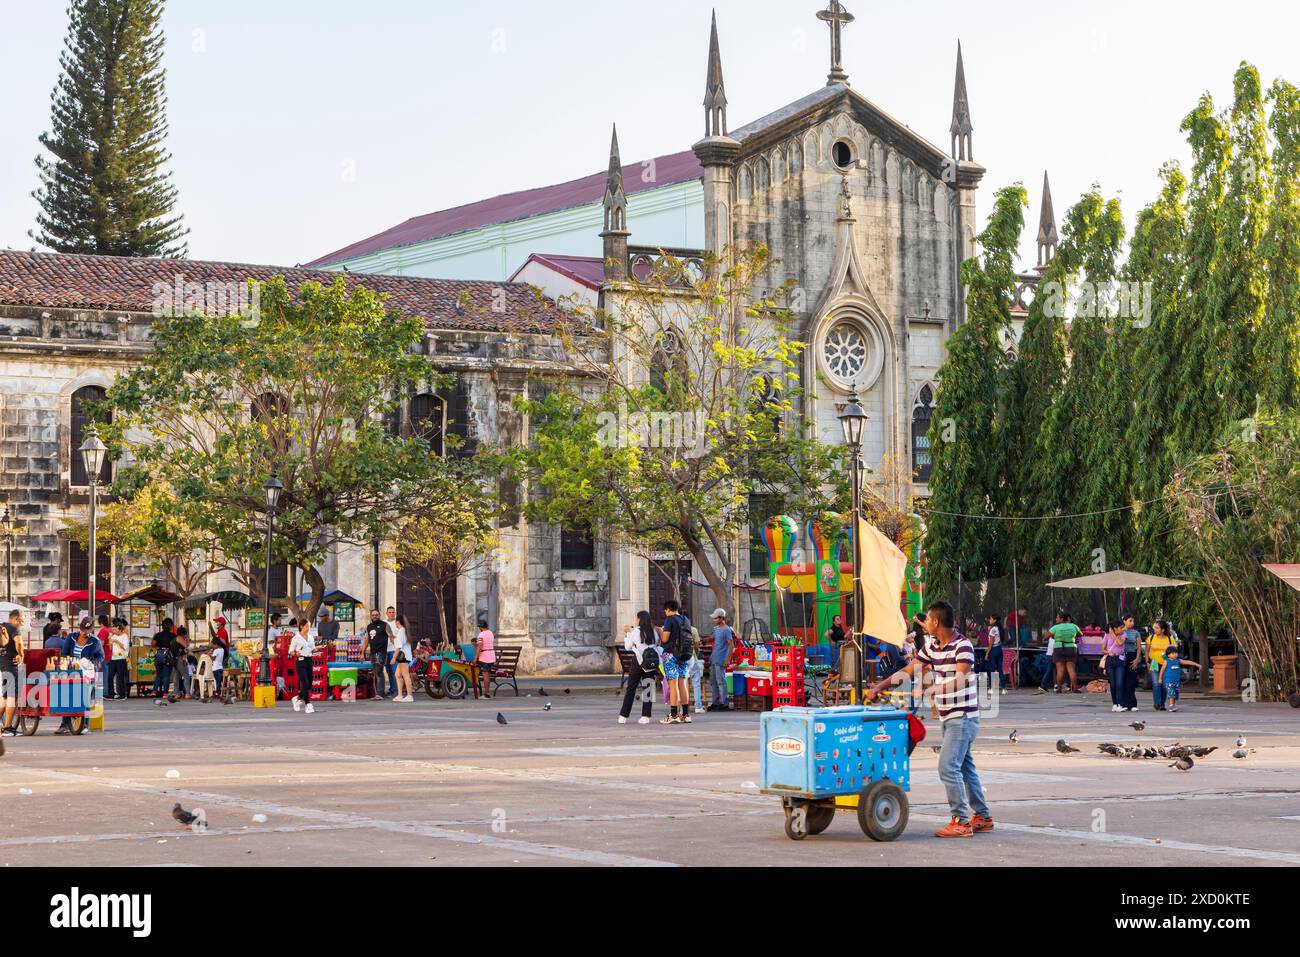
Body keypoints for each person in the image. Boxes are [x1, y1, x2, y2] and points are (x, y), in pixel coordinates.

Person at [868, 600, 990, 838]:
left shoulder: (962, 645)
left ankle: (961, 822)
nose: (924, 625)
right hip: (949, 716)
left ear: (936, 622)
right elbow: (908, 670)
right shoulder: (933, 646)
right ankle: (983, 817)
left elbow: (961, 679)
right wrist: (879, 687)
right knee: (965, 768)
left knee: (947, 767)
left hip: (962, 717)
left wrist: (934, 689)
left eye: (927, 621)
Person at [56, 622, 104, 734]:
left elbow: (101, 656)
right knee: (67, 697)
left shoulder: (95, 641)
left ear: (91, 630)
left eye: (87, 632)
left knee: (86, 699)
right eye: (83, 630)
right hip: (71, 670)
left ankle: (85, 725)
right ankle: (65, 724)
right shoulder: (71, 637)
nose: (84, 633)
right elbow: (64, 653)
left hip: (88, 672)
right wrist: (69, 662)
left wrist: (92, 662)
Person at [618, 611, 658, 725]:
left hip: (638, 662)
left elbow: (627, 647)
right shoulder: (653, 631)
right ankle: (645, 716)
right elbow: (657, 644)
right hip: (650, 663)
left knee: (631, 688)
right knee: (648, 688)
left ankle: (623, 716)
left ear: (640, 619)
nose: (635, 621)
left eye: (636, 618)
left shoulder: (636, 631)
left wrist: (627, 633)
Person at [659, 600, 692, 724]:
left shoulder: (669, 620)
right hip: (685, 654)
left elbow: (665, 638)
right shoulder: (686, 620)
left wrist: (661, 631)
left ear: (668, 609)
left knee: (673, 684)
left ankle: (674, 715)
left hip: (671, 654)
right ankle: (686, 714)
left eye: (665, 610)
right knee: (682, 683)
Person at [1, 609, 24, 737]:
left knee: (4, 697)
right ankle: (8, 728)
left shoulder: (2, 626)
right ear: (16, 619)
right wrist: (20, 654)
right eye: (21, 620)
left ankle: (4, 727)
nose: (21, 623)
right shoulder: (13, 628)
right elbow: (19, 642)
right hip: (11, 664)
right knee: (11, 697)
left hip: (2, 664)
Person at [1145, 620, 1178, 711]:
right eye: (1154, 627)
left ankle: (1162, 703)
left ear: (1162, 630)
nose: (1155, 629)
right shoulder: (1151, 638)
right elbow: (1147, 651)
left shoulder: (1169, 639)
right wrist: (1147, 661)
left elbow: (1174, 650)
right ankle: (1157, 703)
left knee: (1164, 684)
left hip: (1166, 664)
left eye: (1157, 628)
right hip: (1154, 663)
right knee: (1156, 683)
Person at [1158, 644, 1199, 712]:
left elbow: (1187, 662)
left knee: (1175, 694)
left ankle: (1173, 705)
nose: (1175, 654)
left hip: (1176, 681)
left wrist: (1196, 664)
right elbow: (1162, 670)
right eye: (1173, 653)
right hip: (1169, 681)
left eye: (1176, 653)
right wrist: (1160, 679)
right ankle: (1171, 706)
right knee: (1171, 693)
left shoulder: (1178, 660)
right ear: (1168, 655)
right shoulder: (1167, 661)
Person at [707, 609, 733, 711]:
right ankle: (716, 702)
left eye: (716, 618)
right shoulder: (716, 629)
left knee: (721, 681)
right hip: (714, 658)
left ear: (722, 618)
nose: (714, 620)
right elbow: (712, 638)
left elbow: (731, 645)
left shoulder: (726, 630)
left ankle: (724, 703)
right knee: (713, 681)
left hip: (721, 658)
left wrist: (728, 659)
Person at [1049, 611, 1081, 693]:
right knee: (1071, 670)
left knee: (1060, 670)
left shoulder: (1056, 627)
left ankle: (1059, 689)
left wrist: (1055, 636)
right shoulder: (1074, 626)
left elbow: (1045, 636)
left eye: (1058, 617)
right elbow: (1080, 634)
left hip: (1058, 648)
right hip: (1071, 647)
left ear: (1062, 619)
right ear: (1068, 619)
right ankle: (1075, 689)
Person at [289, 620, 316, 714]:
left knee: (309, 684)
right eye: (306, 627)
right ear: (301, 626)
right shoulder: (296, 638)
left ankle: (297, 698)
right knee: (304, 682)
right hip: (300, 661)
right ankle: (308, 704)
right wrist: (296, 653)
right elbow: (291, 651)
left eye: (309, 627)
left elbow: (312, 649)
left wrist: (316, 649)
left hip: (309, 660)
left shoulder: (311, 637)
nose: (308, 629)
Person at [362, 609, 391, 699]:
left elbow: (391, 636)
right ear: (371, 616)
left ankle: (380, 694)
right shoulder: (369, 626)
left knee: (378, 671)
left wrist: (398, 649)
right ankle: (378, 693)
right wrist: (362, 653)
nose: (375, 616)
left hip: (381, 652)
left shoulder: (385, 625)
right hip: (373, 653)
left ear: (379, 615)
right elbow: (366, 640)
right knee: (375, 672)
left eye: (376, 615)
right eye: (373, 615)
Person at [1101, 619, 1127, 712]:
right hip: (1110, 660)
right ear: (1115, 628)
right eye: (1121, 627)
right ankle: (1115, 704)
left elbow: (1120, 643)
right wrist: (1108, 652)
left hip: (1120, 660)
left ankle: (1120, 704)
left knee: (1119, 683)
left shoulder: (1123, 635)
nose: (1123, 629)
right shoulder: (1107, 636)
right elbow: (1103, 649)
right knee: (1113, 684)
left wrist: (1113, 635)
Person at [388, 613, 413, 703]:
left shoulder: (402, 631)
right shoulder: (403, 631)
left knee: (405, 675)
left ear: (397, 622)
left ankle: (410, 695)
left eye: (395, 621)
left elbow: (398, 646)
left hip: (403, 656)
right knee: (397, 675)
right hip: (404, 656)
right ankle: (399, 695)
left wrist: (394, 657)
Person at [1120, 615, 1142, 712]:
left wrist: (1137, 659)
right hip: (1122, 656)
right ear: (1124, 621)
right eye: (1130, 621)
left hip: (1132, 656)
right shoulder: (1120, 631)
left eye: (1133, 621)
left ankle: (1132, 704)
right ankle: (1123, 704)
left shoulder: (1136, 633)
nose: (1132, 623)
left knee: (1131, 681)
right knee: (1122, 681)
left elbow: (1138, 647)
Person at [473, 611, 496, 699]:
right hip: (491, 656)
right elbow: (487, 644)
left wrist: (475, 658)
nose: (479, 629)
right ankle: (487, 692)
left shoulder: (481, 634)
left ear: (481, 627)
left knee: (485, 676)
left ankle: (487, 694)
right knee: (488, 675)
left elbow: (479, 648)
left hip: (485, 657)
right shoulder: (490, 633)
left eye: (479, 627)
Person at [151, 619, 176, 699]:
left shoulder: (157, 635)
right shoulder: (173, 636)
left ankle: (154, 692)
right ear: (171, 626)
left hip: (159, 654)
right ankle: (165, 693)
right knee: (166, 676)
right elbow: (174, 646)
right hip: (168, 655)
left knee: (158, 675)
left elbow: (153, 644)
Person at [107, 618, 130, 700]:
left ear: (119, 628)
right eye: (112, 629)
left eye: (114, 628)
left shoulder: (125, 636)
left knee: (120, 677)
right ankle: (111, 693)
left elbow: (124, 647)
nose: (113, 630)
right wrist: (110, 641)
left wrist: (116, 641)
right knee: (110, 676)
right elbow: (110, 647)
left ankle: (123, 694)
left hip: (121, 658)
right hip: (113, 658)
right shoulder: (113, 636)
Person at [985, 614, 1005, 692]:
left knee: (992, 669)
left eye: (990, 619)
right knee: (1000, 669)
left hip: (994, 650)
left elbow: (991, 642)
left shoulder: (993, 629)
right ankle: (1003, 688)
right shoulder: (999, 628)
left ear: (994, 620)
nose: (989, 620)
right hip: (999, 649)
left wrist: (987, 653)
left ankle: (991, 688)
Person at [173, 626, 192, 698]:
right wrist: (187, 640)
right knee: (186, 676)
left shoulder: (174, 639)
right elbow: (186, 645)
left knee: (176, 677)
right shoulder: (180, 638)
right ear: (183, 634)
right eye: (186, 634)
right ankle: (187, 693)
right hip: (180, 659)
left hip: (174, 659)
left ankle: (176, 693)